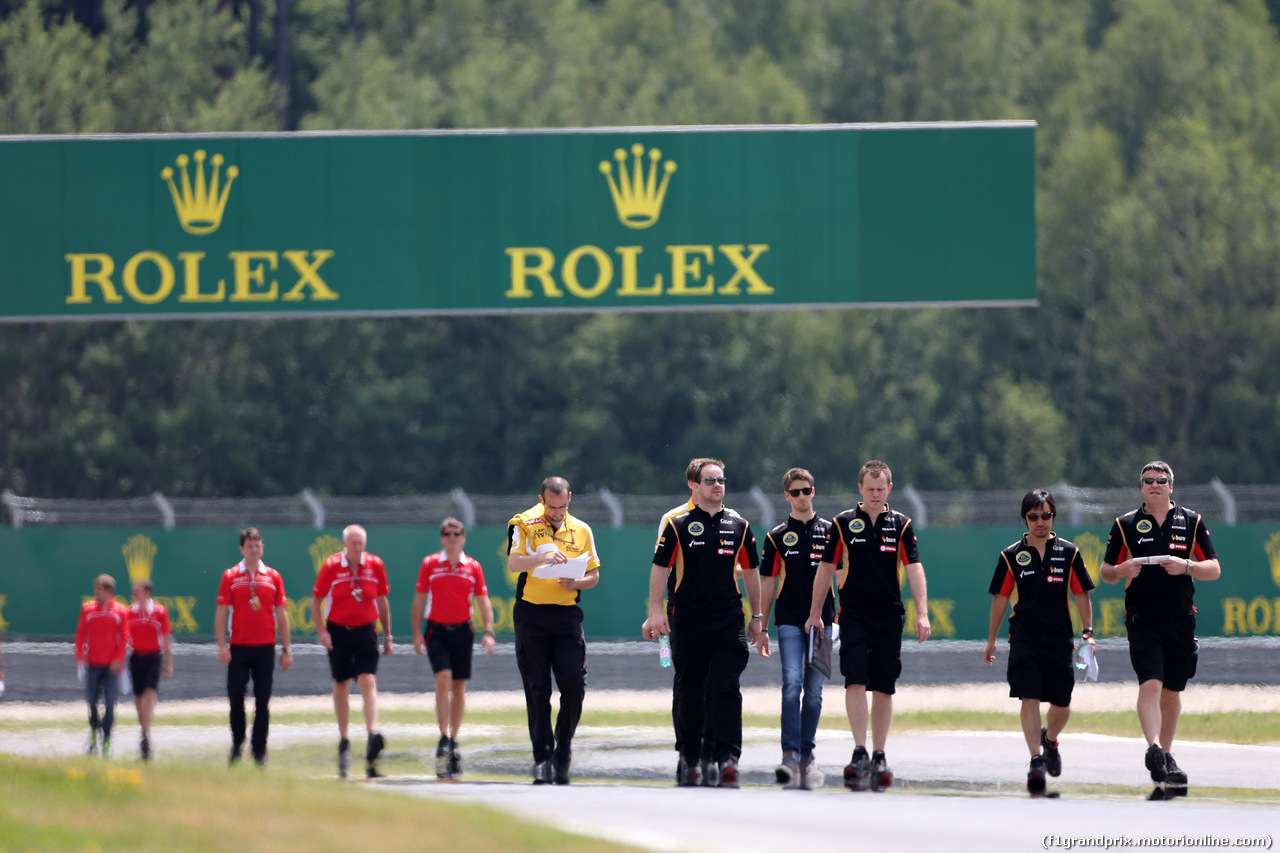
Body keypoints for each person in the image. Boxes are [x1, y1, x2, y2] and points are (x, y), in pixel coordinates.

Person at [805, 459, 930, 792]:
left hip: (889, 614)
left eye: (881, 488)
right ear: (860, 489)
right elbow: (826, 568)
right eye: (869, 489)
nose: (875, 494)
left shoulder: (901, 524)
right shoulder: (842, 523)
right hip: (854, 614)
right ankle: (859, 750)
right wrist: (816, 612)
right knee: (855, 679)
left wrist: (922, 613)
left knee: (885, 686)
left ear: (889, 488)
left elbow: (914, 568)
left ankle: (879, 753)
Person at [643, 458, 767, 788]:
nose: (717, 485)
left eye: (721, 480)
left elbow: (752, 571)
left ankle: (727, 758)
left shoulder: (739, 524)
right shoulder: (677, 523)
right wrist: (656, 612)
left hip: (728, 618)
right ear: (695, 485)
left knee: (726, 686)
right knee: (691, 688)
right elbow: (660, 569)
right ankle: (690, 756)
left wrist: (757, 617)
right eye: (710, 480)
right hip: (687, 617)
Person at [1099, 461, 1220, 791]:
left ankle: (1166, 756)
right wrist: (1122, 570)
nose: (1155, 485)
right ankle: (1153, 748)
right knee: (1150, 684)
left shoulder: (1191, 521)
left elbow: (1214, 569)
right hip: (1142, 618)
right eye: (1148, 481)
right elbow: (1106, 572)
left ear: (1171, 486)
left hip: (1181, 618)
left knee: (1172, 689)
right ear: (1141, 487)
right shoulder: (1125, 524)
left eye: (1161, 480)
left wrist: (1188, 566)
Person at [983, 489, 1095, 795]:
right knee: (1028, 696)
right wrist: (991, 640)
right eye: (1034, 517)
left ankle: (1050, 740)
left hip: (1059, 638)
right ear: (1025, 519)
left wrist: (1088, 633)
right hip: (1024, 637)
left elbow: (1081, 594)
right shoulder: (1010, 555)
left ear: (1053, 517)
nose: (1040, 522)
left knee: (1062, 702)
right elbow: (1000, 599)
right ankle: (1035, 759)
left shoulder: (1069, 552)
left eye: (1046, 516)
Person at [506, 476, 601, 784]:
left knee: (574, 685)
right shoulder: (524, 522)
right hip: (532, 616)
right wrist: (540, 558)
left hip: (566, 616)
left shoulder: (582, 529)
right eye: (552, 506)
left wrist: (578, 582)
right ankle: (542, 757)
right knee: (538, 689)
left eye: (563, 506)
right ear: (541, 499)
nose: (557, 512)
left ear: (569, 498)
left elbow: (594, 575)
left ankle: (564, 747)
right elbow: (514, 563)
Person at [760, 467, 835, 790]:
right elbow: (767, 581)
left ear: (813, 492)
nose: (802, 497)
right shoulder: (776, 536)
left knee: (815, 693)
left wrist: (839, 619)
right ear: (786, 496)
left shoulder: (833, 532)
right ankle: (789, 754)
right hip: (790, 620)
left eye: (806, 490)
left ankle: (808, 754)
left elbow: (841, 577)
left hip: (823, 622)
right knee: (792, 684)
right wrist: (760, 623)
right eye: (795, 492)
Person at [412, 517, 495, 779]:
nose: (452, 537)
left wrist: (488, 632)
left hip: (462, 631)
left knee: (459, 686)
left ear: (463, 538)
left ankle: (454, 740)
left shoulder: (472, 566)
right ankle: (443, 735)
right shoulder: (430, 564)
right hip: (436, 630)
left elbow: (483, 602)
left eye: (457, 533)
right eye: (447, 533)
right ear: (441, 538)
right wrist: (416, 633)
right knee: (443, 678)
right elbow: (418, 602)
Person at [312, 524, 392, 779]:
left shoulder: (375, 565)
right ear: (345, 544)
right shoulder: (332, 565)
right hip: (338, 631)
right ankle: (344, 739)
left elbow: (381, 600)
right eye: (353, 543)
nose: (357, 547)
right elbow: (317, 599)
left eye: (361, 543)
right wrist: (322, 631)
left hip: (367, 631)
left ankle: (372, 734)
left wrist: (388, 635)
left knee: (367, 679)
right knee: (341, 684)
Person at [215, 527, 293, 767]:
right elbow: (220, 614)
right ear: (242, 549)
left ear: (262, 548)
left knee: (262, 700)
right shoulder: (230, 575)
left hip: (265, 648)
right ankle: (238, 743)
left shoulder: (273, 576)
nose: (254, 549)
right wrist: (221, 646)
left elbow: (281, 614)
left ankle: (259, 750)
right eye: (249, 546)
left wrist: (287, 649)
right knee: (235, 695)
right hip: (238, 647)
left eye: (258, 546)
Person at [74, 574, 130, 758]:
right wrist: (80, 657)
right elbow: (81, 634)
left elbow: (125, 637)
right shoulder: (88, 608)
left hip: (111, 667)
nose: (95, 591)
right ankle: (93, 730)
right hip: (93, 663)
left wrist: (118, 659)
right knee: (91, 700)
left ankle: (106, 739)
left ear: (107, 590)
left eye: (98, 588)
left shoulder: (120, 610)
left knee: (111, 702)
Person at [126, 579, 173, 761]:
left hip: (154, 657)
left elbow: (166, 637)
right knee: (138, 698)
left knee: (149, 694)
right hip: (136, 657)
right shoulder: (129, 612)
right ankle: (143, 730)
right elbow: (124, 636)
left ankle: (146, 737)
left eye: (137, 591)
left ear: (147, 593)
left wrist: (169, 662)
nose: (134, 594)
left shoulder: (160, 612)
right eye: (133, 591)